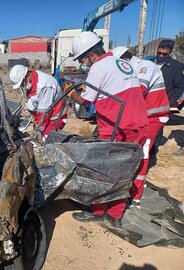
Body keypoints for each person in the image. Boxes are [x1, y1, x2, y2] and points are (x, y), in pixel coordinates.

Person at [68, 32, 148, 228]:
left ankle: (98, 212)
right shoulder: (125, 64)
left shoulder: (98, 67)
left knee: (102, 171)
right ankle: (115, 215)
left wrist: (71, 93)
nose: (83, 64)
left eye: (82, 60)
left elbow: (87, 102)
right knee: (124, 171)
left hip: (115, 127)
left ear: (91, 55)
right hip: (137, 125)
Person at [112, 46, 170, 207]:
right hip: (142, 117)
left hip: (152, 118)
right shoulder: (134, 70)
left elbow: (137, 92)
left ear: (124, 60)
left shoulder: (145, 67)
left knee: (141, 154)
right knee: (132, 150)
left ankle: (134, 195)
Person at [9, 65, 68, 141]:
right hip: (43, 119)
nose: (23, 86)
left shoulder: (45, 85)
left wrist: (38, 131)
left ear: (28, 76)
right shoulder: (32, 80)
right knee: (37, 139)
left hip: (55, 119)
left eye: (22, 84)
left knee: (45, 143)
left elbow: (45, 113)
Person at [151, 40, 184, 156]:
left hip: (162, 103)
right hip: (147, 101)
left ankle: (152, 151)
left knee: (157, 127)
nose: (160, 56)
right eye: (159, 53)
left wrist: (170, 101)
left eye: (164, 54)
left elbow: (179, 87)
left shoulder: (176, 67)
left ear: (170, 52)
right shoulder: (150, 62)